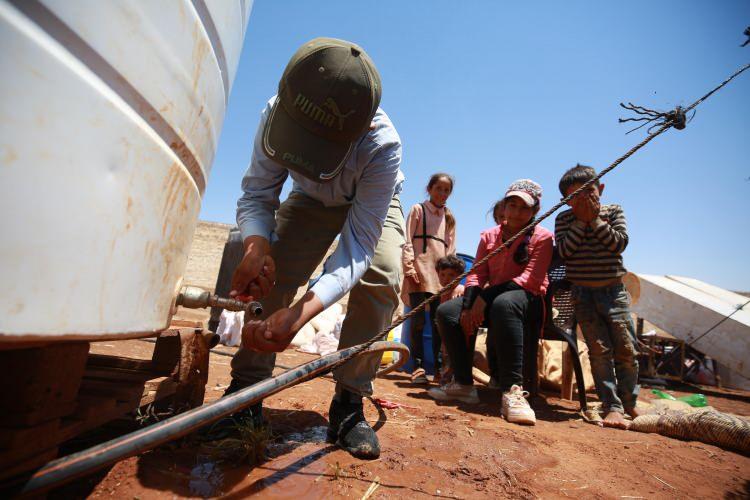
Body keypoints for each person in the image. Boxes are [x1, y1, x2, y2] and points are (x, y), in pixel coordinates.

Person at [226, 38, 405, 459]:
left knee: (381, 275)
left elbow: (359, 243)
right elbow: (258, 192)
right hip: (308, 200)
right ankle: (245, 391)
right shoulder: (277, 111)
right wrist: (255, 245)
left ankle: (349, 400)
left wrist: (301, 314)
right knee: (276, 268)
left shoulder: (382, 145)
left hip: (369, 202)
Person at [428, 180, 553, 426]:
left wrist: (483, 298)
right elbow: (477, 273)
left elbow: (530, 280)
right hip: (493, 299)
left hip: (527, 301)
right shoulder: (490, 236)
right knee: (446, 312)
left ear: (535, 211)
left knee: (504, 304)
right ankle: (463, 383)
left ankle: (513, 391)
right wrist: (468, 305)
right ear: (503, 207)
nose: (516, 213)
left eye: (523, 208)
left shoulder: (543, 237)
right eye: (512, 205)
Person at [554, 164, 640, 429]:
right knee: (599, 351)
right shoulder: (564, 220)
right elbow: (565, 252)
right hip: (583, 294)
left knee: (627, 349)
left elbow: (619, 243)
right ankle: (610, 405)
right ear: (566, 200)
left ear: (600, 189)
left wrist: (595, 220)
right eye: (575, 196)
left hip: (614, 292)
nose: (583, 200)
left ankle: (628, 402)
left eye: (588, 192)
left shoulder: (613, 212)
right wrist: (581, 220)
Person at [401, 174, 456, 383]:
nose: (442, 194)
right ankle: (418, 367)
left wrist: (450, 277)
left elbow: (451, 249)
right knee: (417, 322)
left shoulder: (449, 216)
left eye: (446, 190)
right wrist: (409, 267)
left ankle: (439, 369)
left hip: (438, 276)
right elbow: (408, 240)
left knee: (436, 323)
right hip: (418, 271)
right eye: (438, 188)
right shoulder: (418, 210)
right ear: (429, 188)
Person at [433, 254, 466, 384]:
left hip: (457, 334)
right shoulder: (441, 293)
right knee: (446, 356)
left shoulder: (460, 290)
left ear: (460, 276)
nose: (446, 279)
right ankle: (447, 379)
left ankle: (455, 381)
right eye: (442, 275)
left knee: (454, 356)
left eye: (451, 275)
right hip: (445, 337)